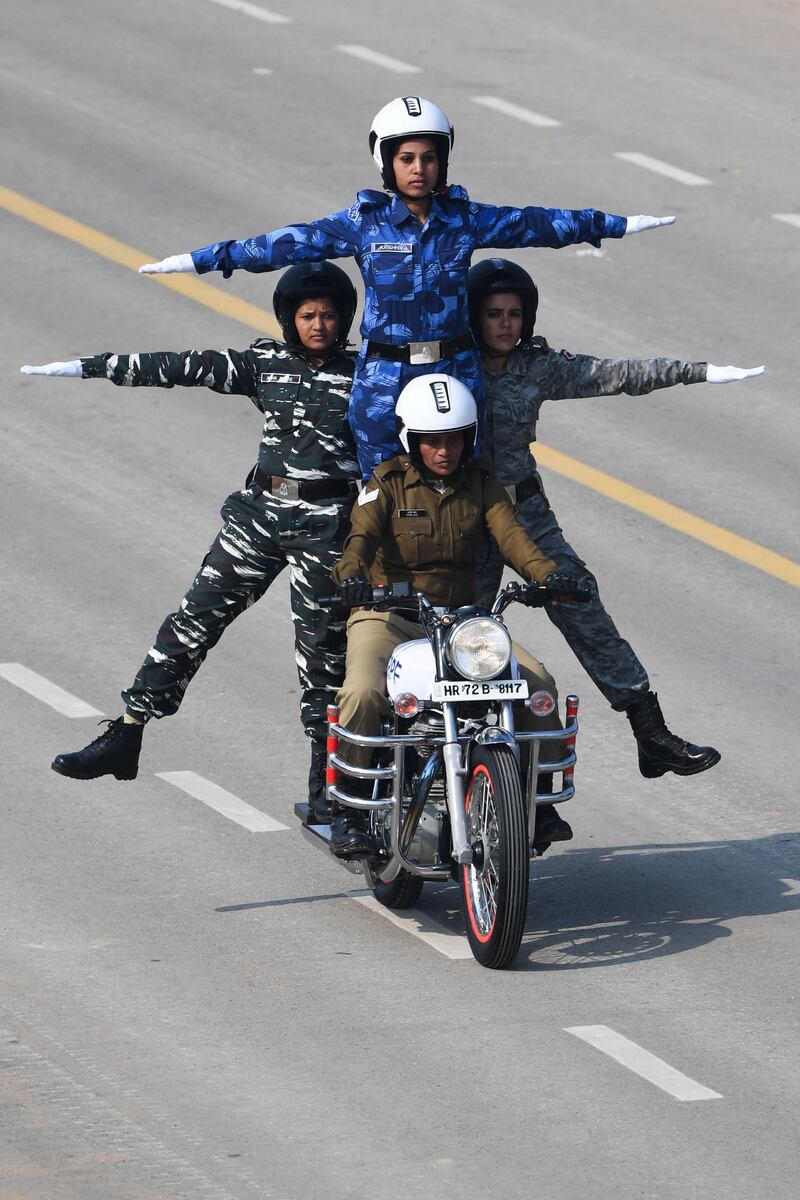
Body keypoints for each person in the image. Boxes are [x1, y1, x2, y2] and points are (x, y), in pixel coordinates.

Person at [137, 95, 676, 479]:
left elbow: (536, 223)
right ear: (386, 162)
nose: (419, 168)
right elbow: (283, 244)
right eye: (407, 158)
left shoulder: (464, 220)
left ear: (443, 161)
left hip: (454, 363)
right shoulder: (362, 223)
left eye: (429, 157)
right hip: (384, 369)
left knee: (469, 473)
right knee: (375, 475)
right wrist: (203, 259)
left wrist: (613, 223)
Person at [21, 263, 359, 820]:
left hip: (331, 523)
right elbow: (184, 367)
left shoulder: (368, 372)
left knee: (325, 655)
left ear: (343, 318)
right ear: (288, 320)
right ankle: (126, 735)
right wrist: (89, 368)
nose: (318, 324)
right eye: (307, 315)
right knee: (191, 620)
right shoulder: (265, 364)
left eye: (327, 315)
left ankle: (330, 787)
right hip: (260, 517)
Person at [468, 257, 765, 779]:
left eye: (515, 313)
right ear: (473, 316)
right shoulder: (446, 364)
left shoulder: (536, 366)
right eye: (494, 313)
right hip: (462, 513)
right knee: (462, 629)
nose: (505, 323)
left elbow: (613, 375)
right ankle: (456, 765)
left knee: (580, 599)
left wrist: (697, 372)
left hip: (523, 509)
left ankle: (651, 735)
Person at [327, 373, 580, 859]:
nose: (445, 450)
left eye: (455, 439)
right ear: (411, 440)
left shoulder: (482, 484)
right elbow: (358, 541)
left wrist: (549, 576)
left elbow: (513, 538)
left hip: (460, 625)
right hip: (389, 615)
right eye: (433, 441)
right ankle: (351, 812)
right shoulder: (386, 484)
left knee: (540, 686)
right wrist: (353, 577)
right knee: (361, 691)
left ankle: (533, 799)